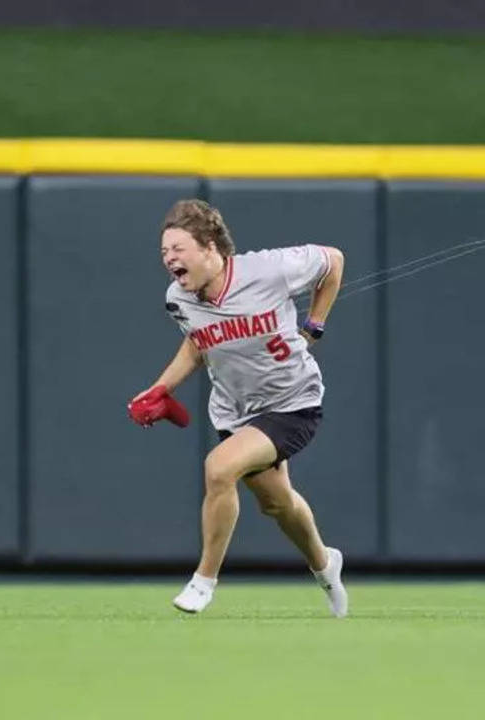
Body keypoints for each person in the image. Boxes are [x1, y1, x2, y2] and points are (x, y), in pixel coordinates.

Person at [130, 199, 348, 617]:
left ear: (210, 246)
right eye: (163, 252)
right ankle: (325, 564)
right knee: (277, 504)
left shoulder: (269, 269)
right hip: (236, 412)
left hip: (293, 402)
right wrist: (160, 388)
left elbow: (333, 262)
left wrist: (315, 324)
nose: (169, 259)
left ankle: (203, 581)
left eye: (178, 249)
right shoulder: (180, 297)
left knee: (219, 468)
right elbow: (198, 343)